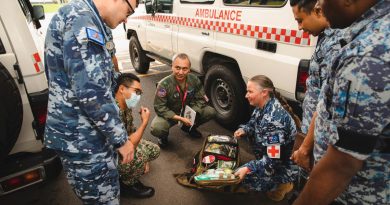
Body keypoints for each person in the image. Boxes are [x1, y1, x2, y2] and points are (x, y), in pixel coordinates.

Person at [293, 0, 390, 204]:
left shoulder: (368, 54)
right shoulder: (363, 35)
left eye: (322, 0)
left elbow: (342, 164)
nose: (319, 6)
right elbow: (324, 103)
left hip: (355, 194)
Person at [44, 0, 138, 204]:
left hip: (88, 134)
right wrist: (121, 140)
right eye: (129, 10)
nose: (126, 18)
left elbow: (101, 78)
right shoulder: (81, 20)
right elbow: (91, 92)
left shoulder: (93, 20)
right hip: (82, 138)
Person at [289, 0, 343, 171]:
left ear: (318, 11)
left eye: (300, 20)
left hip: (320, 135)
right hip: (312, 130)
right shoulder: (324, 36)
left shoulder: (334, 44)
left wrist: (305, 147)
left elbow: (325, 102)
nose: (299, 27)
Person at [233, 75, 297, 202]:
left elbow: (272, 160)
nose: (246, 95)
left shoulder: (274, 121)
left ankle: (283, 184)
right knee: (240, 173)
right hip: (270, 157)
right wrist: (244, 129)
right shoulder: (263, 105)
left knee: (239, 178)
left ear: (264, 92)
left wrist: (248, 168)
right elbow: (252, 123)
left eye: (250, 92)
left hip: (280, 166)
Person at [150, 53, 216, 148]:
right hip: (171, 114)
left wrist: (192, 113)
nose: (181, 72)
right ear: (172, 67)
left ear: (189, 69)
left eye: (184, 69)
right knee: (157, 128)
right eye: (177, 68)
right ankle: (163, 137)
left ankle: (189, 128)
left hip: (188, 111)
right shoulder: (163, 85)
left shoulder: (194, 79)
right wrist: (180, 118)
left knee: (210, 111)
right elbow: (159, 107)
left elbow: (202, 99)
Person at [114, 73, 160, 198]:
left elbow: (131, 132)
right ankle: (127, 185)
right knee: (142, 155)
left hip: (125, 145)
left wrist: (144, 159)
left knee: (154, 150)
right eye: (136, 91)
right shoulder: (113, 111)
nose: (138, 97)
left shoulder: (126, 106)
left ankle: (133, 170)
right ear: (122, 89)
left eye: (140, 93)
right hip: (112, 156)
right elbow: (127, 143)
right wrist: (144, 122)